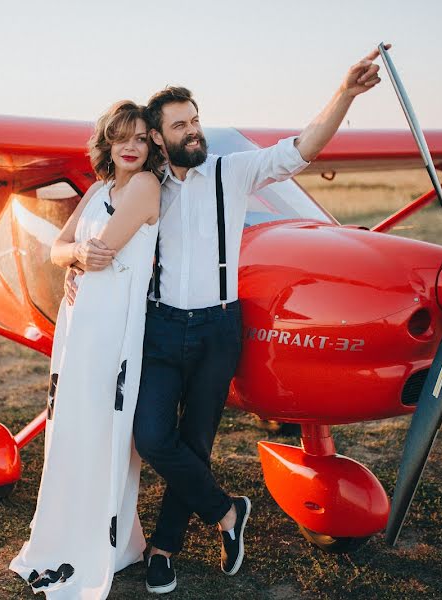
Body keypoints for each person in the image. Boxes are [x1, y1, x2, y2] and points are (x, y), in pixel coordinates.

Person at [65, 47, 387, 595]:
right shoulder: (145, 186)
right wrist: (76, 266)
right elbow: (99, 238)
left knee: (195, 443)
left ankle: (164, 551)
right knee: (152, 436)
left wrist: (346, 94)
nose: (193, 131)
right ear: (159, 139)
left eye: (196, 120)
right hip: (161, 328)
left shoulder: (231, 171)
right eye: (179, 125)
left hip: (218, 329)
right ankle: (226, 511)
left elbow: (302, 148)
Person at [9, 100, 162, 599]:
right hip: (80, 327)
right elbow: (62, 249)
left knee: (104, 429)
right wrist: (74, 255)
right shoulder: (98, 190)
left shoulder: (145, 187)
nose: (133, 147)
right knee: (74, 428)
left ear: (151, 143)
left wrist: (76, 257)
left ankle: (106, 543)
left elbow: (101, 253)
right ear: (108, 145)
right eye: (123, 138)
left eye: (141, 137)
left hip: (114, 329)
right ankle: (68, 533)